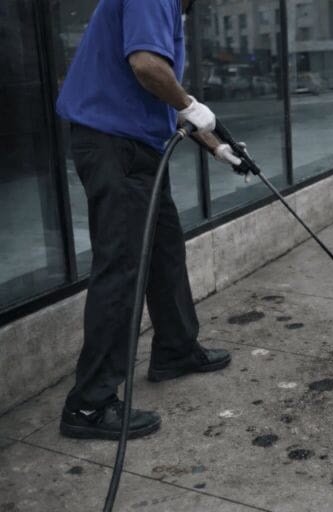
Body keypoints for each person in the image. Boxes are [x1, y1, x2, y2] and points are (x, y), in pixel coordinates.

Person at [55, 0, 243, 440]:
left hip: (135, 149)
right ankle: (89, 404)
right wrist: (191, 103)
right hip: (116, 147)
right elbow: (147, 67)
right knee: (122, 267)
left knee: (164, 251)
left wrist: (218, 146)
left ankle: (176, 350)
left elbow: (162, 94)